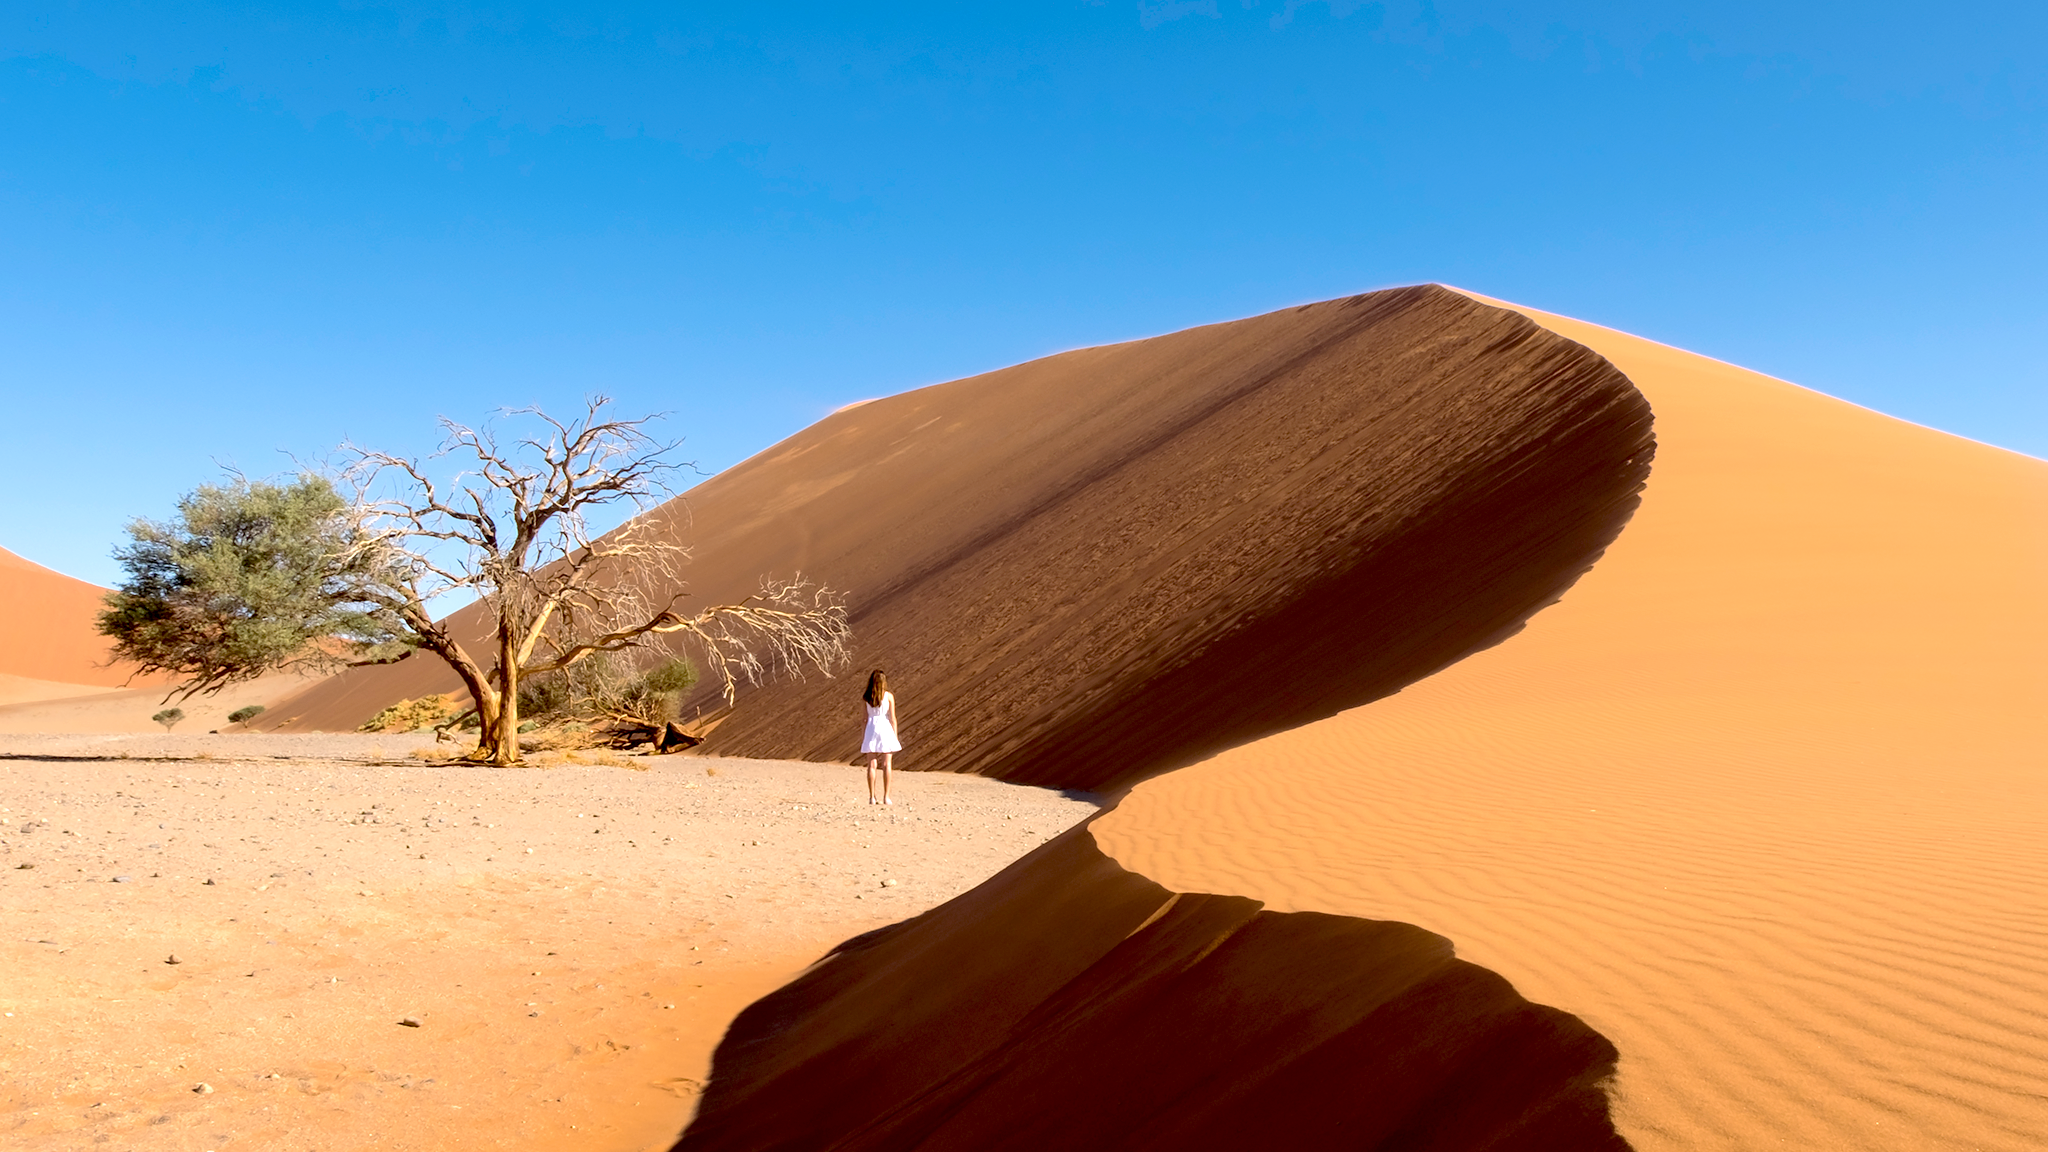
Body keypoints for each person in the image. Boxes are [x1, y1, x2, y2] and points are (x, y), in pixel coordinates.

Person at [860, 669, 902, 805]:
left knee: (872, 765)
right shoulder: (889, 696)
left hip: (871, 728)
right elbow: (892, 718)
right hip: (885, 728)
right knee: (886, 764)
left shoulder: (867, 697)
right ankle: (886, 797)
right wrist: (895, 736)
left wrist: (863, 735)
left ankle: (872, 797)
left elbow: (864, 719)